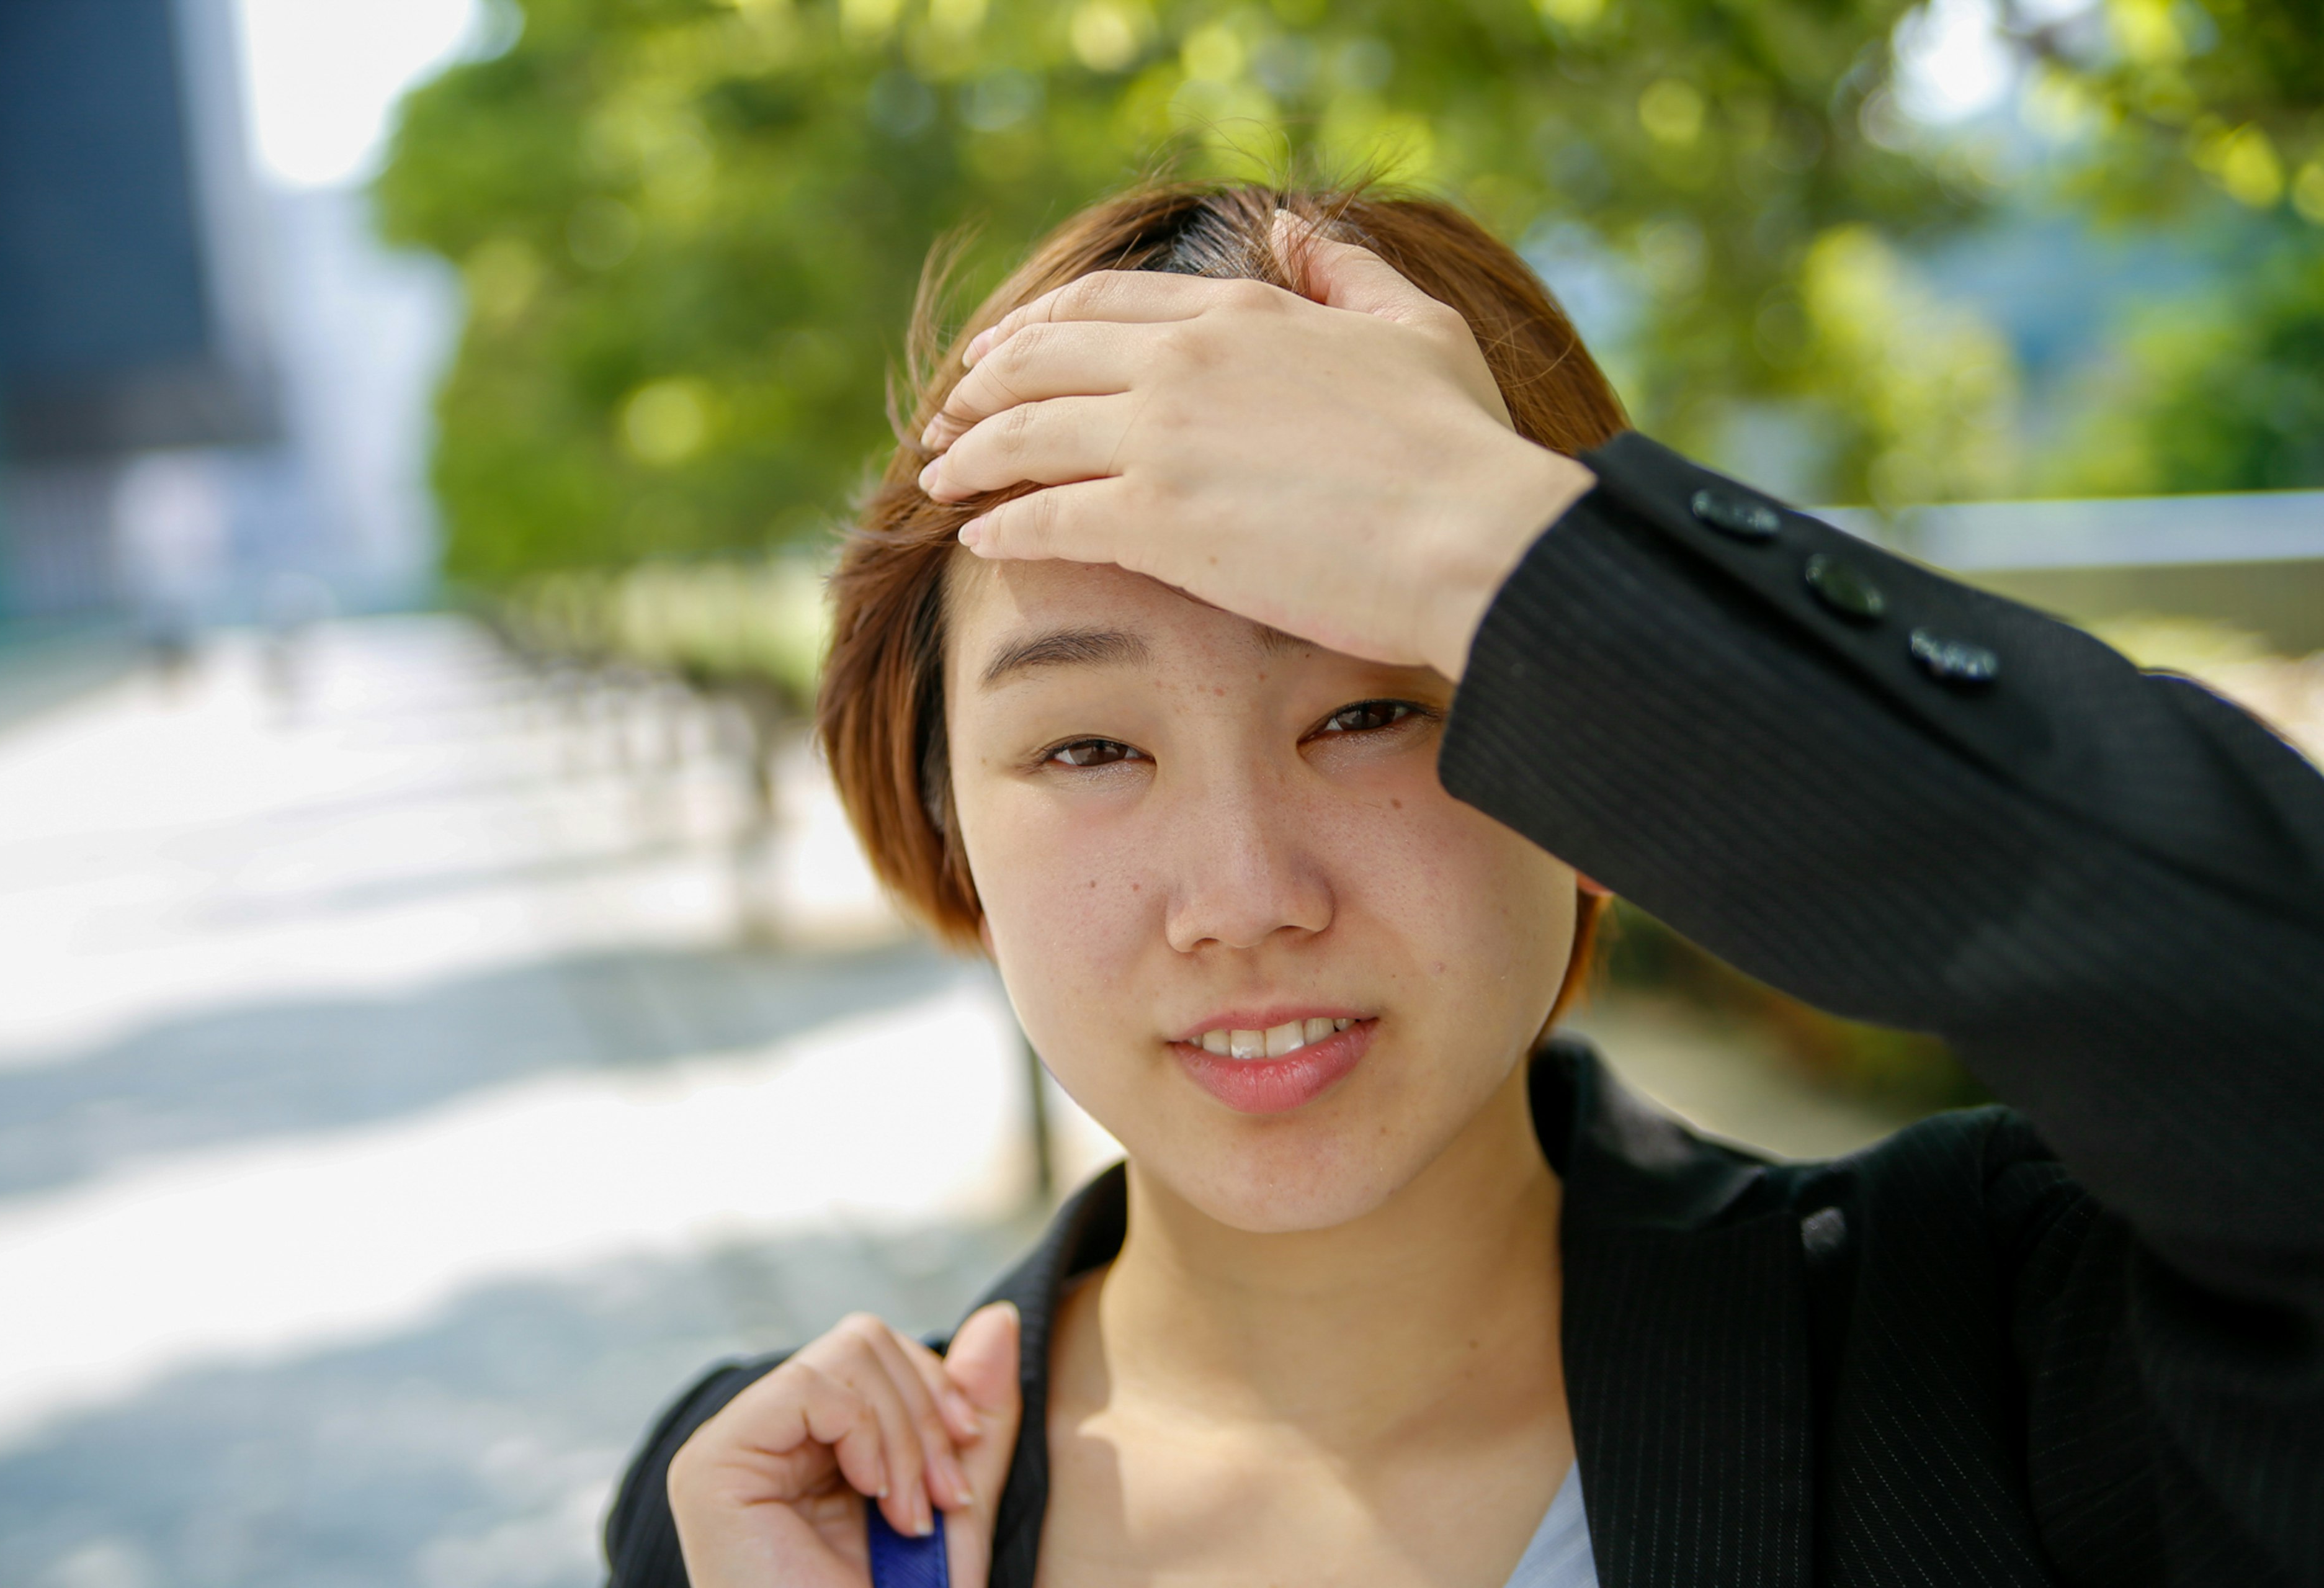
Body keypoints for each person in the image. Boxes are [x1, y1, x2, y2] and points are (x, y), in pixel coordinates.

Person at [604, 183, 2324, 1588]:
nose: (1245, 894)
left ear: (1579, 753)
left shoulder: (1996, 1351)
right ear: (944, 812)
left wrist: (1494, 541)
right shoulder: (788, 1517)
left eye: (1373, 709)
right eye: (1087, 750)